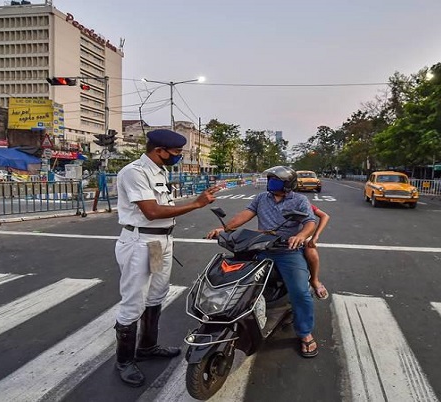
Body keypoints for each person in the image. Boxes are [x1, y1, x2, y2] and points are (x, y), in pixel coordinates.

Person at [113, 129, 220, 387]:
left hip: (159, 243)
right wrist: (196, 204)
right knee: (133, 301)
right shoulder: (134, 172)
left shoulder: (160, 171)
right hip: (140, 242)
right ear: (158, 150)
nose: (178, 157)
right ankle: (124, 360)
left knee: (156, 294)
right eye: (175, 153)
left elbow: (163, 207)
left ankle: (147, 347)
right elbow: (150, 211)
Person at [206, 166, 320, 358]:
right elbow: (245, 215)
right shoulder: (261, 198)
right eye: (270, 180)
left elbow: (310, 222)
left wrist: (300, 236)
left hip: (286, 251)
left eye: (275, 180)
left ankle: (305, 333)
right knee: (235, 279)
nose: (270, 183)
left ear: (287, 184)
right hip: (259, 247)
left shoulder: (299, 200)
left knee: (300, 292)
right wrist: (224, 229)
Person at [305, 204, 330, 300]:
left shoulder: (300, 201)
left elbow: (325, 216)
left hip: (302, 236)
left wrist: (315, 236)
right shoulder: (265, 200)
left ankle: (314, 280)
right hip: (276, 235)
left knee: (311, 250)